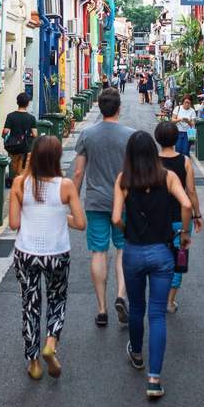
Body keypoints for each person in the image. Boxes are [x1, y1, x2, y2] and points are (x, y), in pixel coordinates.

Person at [112, 131, 193, 399]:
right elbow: (186, 203)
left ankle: (136, 353)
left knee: (137, 308)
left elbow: (115, 218)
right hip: (162, 253)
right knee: (157, 314)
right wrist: (183, 234)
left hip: (134, 251)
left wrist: (127, 228)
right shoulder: (168, 177)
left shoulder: (124, 179)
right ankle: (154, 380)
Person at [8, 135, 86, 379]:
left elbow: (13, 223)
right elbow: (81, 223)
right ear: (56, 158)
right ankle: (51, 343)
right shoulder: (65, 186)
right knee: (57, 300)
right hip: (56, 252)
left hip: (26, 253)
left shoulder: (20, 183)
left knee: (30, 305)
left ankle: (33, 363)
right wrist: (60, 217)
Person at [71, 88, 134, 327]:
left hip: (96, 201)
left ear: (99, 106)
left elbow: (78, 172)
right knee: (123, 249)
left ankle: (101, 309)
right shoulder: (130, 136)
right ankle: (120, 295)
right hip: (124, 202)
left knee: (98, 252)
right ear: (119, 108)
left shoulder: (87, 135)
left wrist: (74, 200)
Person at [154, 121, 203, 314]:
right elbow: (190, 191)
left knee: (157, 256)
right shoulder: (184, 161)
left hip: (156, 217)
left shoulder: (152, 161)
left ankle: (157, 296)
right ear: (176, 139)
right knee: (179, 257)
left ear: (157, 138)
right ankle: (170, 301)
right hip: (179, 217)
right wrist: (197, 215)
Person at [1, 92, 38, 180]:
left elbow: (5, 131)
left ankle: (15, 184)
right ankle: (21, 186)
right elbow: (35, 134)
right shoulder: (31, 118)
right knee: (23, 169)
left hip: (13, 147)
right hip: (26, 148)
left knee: (14, 168)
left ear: (17, 102)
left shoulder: (10, 116)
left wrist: (3, 135)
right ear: (28, 103)